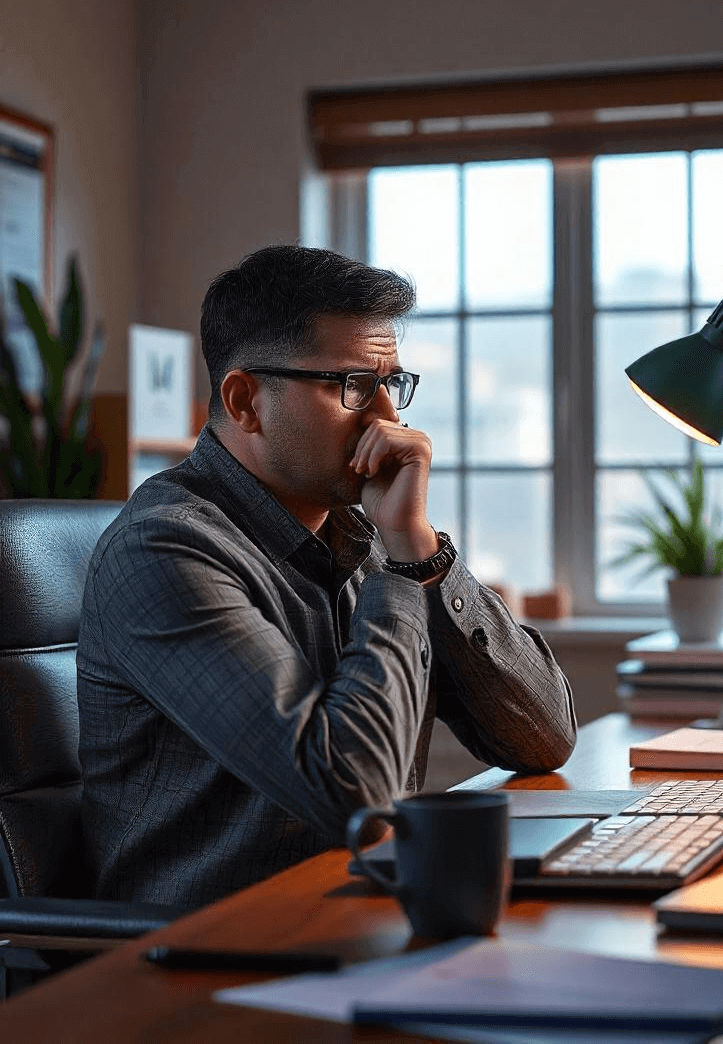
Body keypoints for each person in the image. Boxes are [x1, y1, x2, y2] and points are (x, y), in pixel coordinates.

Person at [76, 245, 577, 909]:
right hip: (207, 964)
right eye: (354, 387)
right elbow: (357, 797)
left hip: (357, 922)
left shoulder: (365, 532)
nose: (390, 422)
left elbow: (543, 737)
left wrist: (421, 550)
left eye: (392, 385)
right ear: (246, 400)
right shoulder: (164, 551)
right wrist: (402, 571)